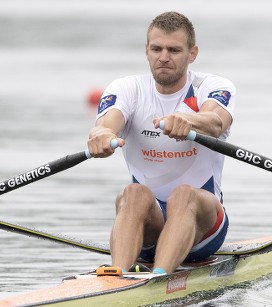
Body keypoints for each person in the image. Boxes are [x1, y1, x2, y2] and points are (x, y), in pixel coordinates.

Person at [87, 11, 236, 274]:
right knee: (133, 193)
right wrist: (101, 135)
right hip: (148, 227)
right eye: (156, 48)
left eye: (174, 50)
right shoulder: (128, 89)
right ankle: (116, 279)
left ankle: (159, 277)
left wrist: (189, 121)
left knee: (184, 194)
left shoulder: (212, 86)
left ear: (192, 54)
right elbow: (107, 125)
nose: (163, 57)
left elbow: (214, 121)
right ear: (147, 51)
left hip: (203, 230)